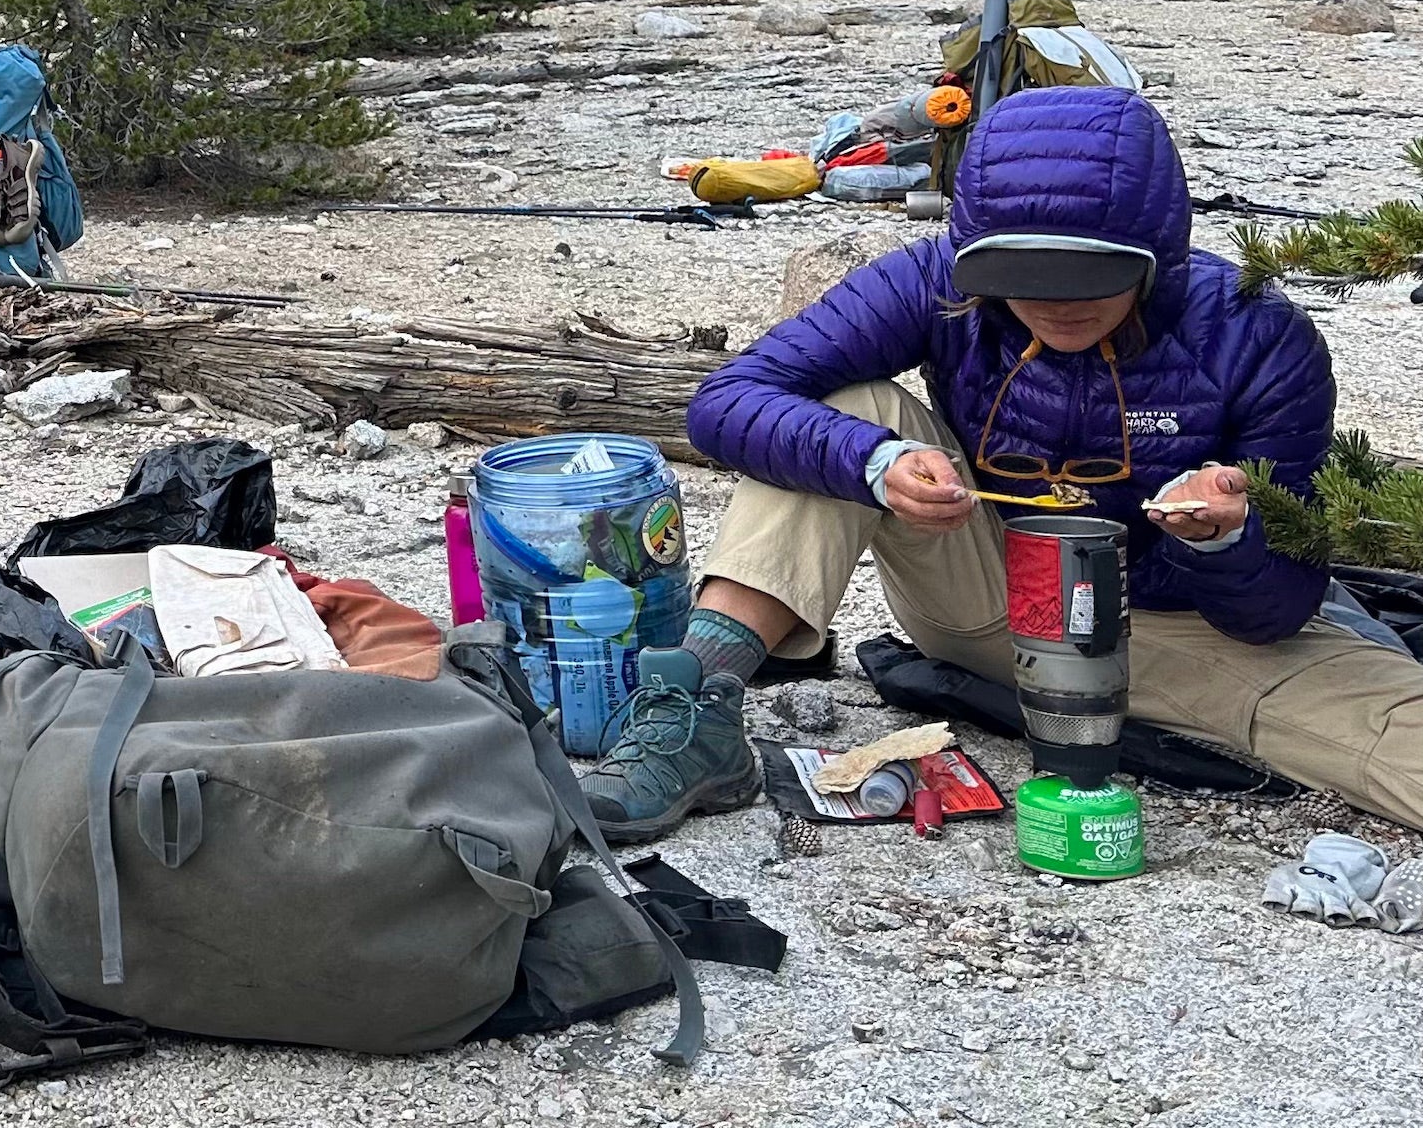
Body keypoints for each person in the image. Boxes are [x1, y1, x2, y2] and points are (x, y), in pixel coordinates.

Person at [581, 85, 1423, 841]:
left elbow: (1275, 611)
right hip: (985, 591)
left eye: (1090, 273)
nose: (1056, 299)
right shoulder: (936, 280)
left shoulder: (1256, 334)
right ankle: (691, 708)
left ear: (1157, 250)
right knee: (849, 412)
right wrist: (877, 464)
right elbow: (727, 401)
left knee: (1390, 724)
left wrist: (1227, 539)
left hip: (1168, 631)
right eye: (1023, 272)